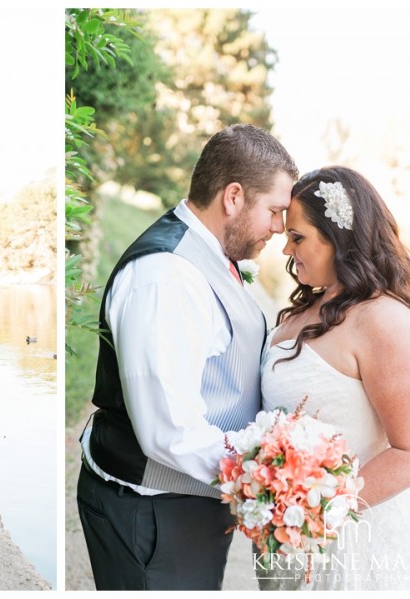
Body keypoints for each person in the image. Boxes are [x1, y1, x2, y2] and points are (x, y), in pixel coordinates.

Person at [76, 124, 299, 590]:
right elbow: (169, 431)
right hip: (152, 513)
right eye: (275, 211)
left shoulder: (212, 255)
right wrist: (265, 473)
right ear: (233, 197)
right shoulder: (167, 278)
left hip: (185, 506)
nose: (280, 229)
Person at [257, 166, 410, 590]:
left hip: (362, 542)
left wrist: (316, 510)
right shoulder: (303, 312)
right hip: (294, 535)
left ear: (338, 237)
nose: (286, 248)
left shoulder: (385, 320)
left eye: (298, 236)